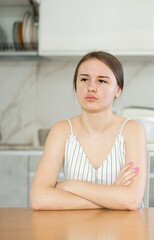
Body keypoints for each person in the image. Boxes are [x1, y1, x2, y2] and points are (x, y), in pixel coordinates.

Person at [30, 51, 147, 210]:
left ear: (118, 89)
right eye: (84, 79)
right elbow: (39, 198)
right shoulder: (61, 131)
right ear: (76, 85)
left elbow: (132, 200)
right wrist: (112, 196)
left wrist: (71, 186)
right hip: (75, 230)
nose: (91, 87)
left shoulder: (132, 130)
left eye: (102, 81)